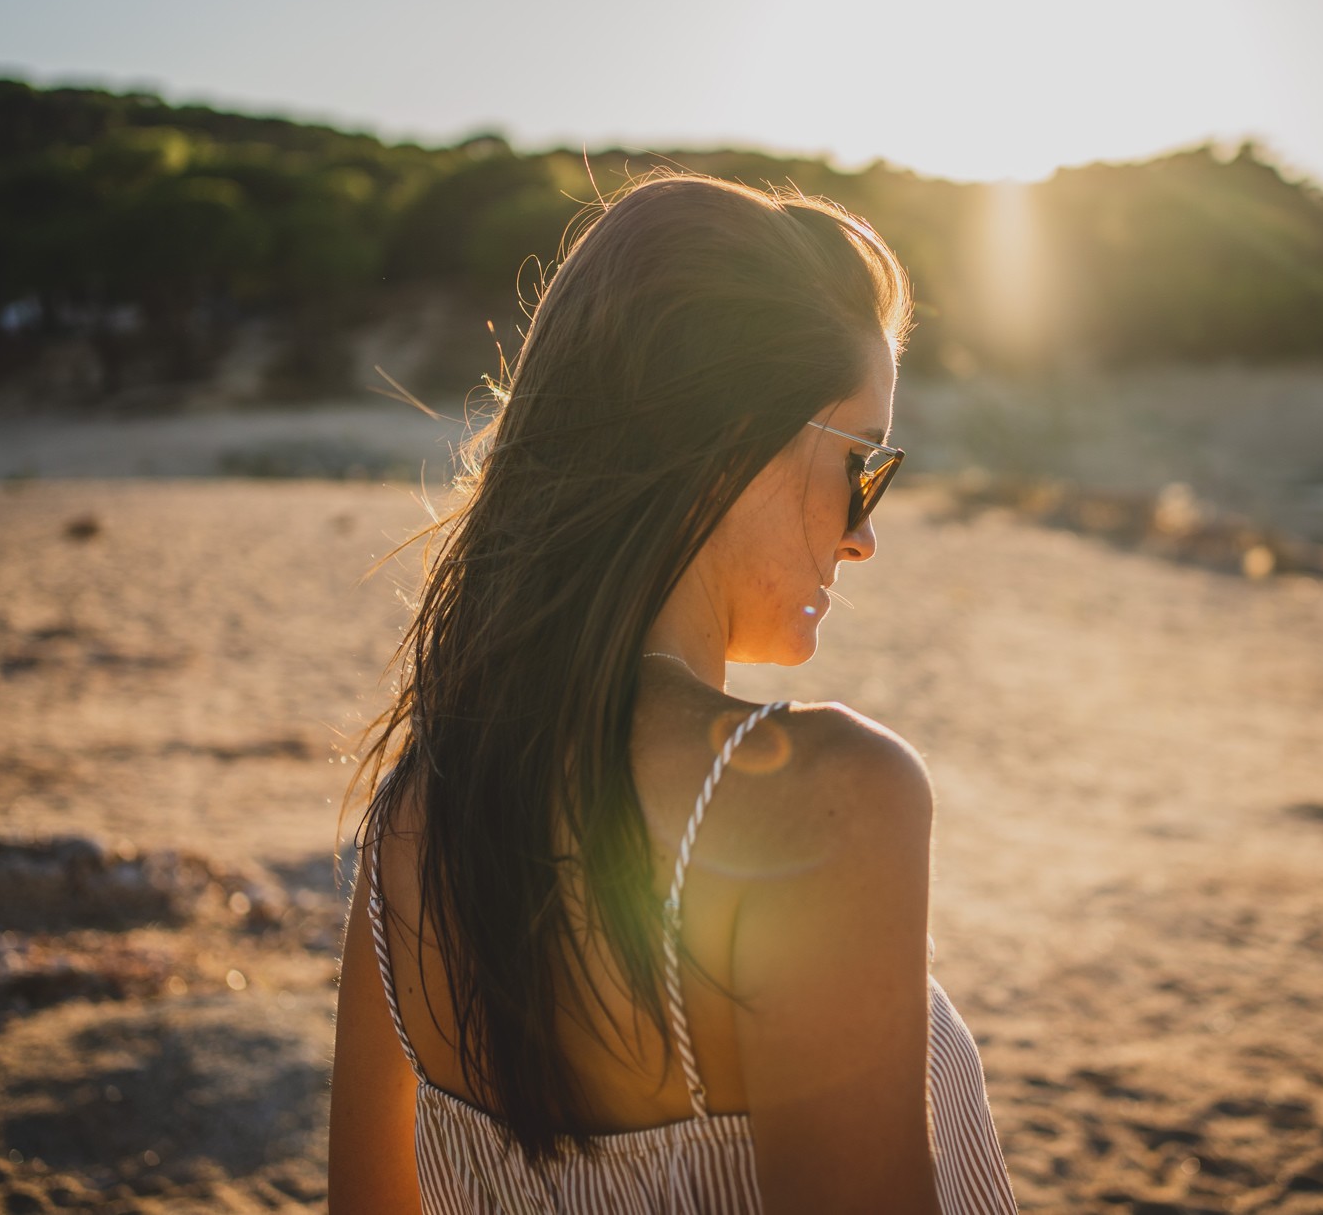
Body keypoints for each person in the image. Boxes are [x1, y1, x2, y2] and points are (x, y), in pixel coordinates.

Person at [328, 175, 1016, 1214]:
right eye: (862, 466)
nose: (864, 534)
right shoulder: (826, 799)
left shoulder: (416, 820)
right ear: (729, 442)